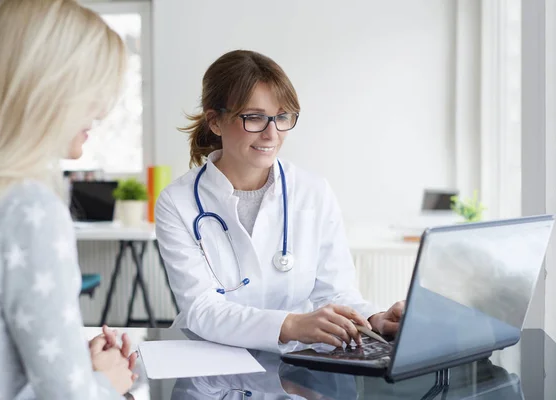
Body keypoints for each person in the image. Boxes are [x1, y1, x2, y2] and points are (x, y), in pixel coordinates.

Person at [155, 49, 405, 354]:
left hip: (296, 366)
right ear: (215, 122)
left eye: (282, 117)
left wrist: (374, 320)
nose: (272, 134)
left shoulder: (313, 191)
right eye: (255, 118)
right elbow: (201, 308)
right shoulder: (177, 202)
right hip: (211, 365)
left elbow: (337, 293)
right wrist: (290, 325)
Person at [0, 0, 137, 398]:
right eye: (95, 92)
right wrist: (106, 382)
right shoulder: (24, 207)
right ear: (46, 89)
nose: (102, 112)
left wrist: (73, 365)